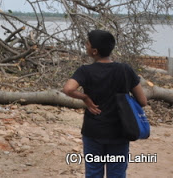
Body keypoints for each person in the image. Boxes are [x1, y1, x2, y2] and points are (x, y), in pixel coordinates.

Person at [62, 30, 148, 178]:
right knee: (117, 174)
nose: (85, 45)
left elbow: (68, 89)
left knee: (93, 173)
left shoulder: (85, 71)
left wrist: (85, 98)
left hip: (93, 131)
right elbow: (143, 101)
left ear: (94, 51)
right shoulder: (125, 69)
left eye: (87, 43)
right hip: (120, 131)